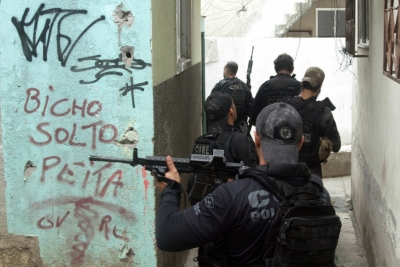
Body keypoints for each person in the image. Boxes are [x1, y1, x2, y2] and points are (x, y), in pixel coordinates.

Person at [155, 103, 331, 266]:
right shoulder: (320, 194)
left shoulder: (232, 196)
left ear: (257, 140)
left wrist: (171, 189)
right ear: (300, 143)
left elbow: (167, 235)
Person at [188, 91, 257, 204]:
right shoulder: (239, 140)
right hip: (230, 209)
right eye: (233, 105)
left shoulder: (200, 141)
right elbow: (254, 179)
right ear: (231, 111)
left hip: (203, 210)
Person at [284, 66, 341, 177]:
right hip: (312, 174)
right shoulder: (324, 112)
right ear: (320, 87)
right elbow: (337, 146)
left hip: (287, 171)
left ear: (302, 83)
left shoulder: (286, 106)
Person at [250, 53, 301, 124]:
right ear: (292, 69)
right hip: (291, 131)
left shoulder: (265, 86)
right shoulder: (299, 86)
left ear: (275, 68)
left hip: (268, 131)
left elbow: (254, 116)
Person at [211, 61, 253, 133]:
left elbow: (211, 105)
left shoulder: (220, 86)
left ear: (226, 70)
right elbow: (251, 107)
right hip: (241, 128)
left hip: (224, 127)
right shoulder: (244, 86)